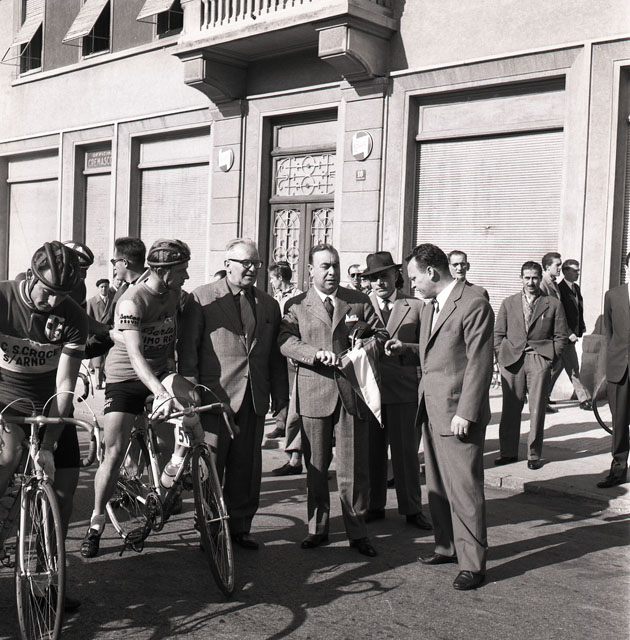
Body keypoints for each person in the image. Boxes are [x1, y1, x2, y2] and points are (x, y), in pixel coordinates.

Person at [386, 243, 494, 590]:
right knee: (437, 487)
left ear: (431, 272)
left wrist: (466, 412)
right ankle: (446, 546)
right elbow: (437, 352)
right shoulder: (431, 306)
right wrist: (406, 350)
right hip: (431, 408)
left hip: (457, 413)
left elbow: (479, 362)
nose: (412, 284)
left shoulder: (473, 303)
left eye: (414, 277)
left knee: (464, 489)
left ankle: (473, 564)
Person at [81, 239, 193, 558]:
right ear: (164, 271)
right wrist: (159, 392)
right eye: (182, 271)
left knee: (191, 407)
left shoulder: (177, 294)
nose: (186, 276)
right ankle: (96, 522)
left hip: (160, 372)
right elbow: (134, 355)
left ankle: (174, 470)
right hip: (126, 377)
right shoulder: (131, 301)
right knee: (114, 452)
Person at [278, 243, 388, 558]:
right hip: (314, 393)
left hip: (352, 393)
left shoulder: (359, 301)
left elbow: (381, 336)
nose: (331, 271)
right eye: (325, 266)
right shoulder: (297, 305)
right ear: (310, 270)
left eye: (335, 265)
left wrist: (365, 345)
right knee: (315, 467)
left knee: (354, 469)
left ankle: (358, 532)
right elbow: (285, 341)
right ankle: (317, 529)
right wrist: (314, 355)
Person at [178, 239, 289, 550]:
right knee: (211, 468)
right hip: (214, 397)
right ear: (227, 265)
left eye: (256, 263)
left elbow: (274, 358)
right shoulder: (202, 298)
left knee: (247, 468)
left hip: (253, 398)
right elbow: (188, 352)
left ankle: (240, 527)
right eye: (245, 263)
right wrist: (192, 394)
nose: (252, 269)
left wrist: (281, 398)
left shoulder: (268, 304)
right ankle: (210, 529)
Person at [0, 241, 88, 611]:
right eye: (48, 291)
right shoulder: (4, 299)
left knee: (63, 494)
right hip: (5, 403)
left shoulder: (74, 317)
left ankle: (47, 579)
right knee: (8, 456)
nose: (53, 302)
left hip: (49, 406)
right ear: (32, 277)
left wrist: (50, 444)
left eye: (62, 295)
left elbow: (65, 385)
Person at [363, 251, 431, 531]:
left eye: (384, 276)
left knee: (405, 455)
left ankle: (412, 508)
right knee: (372, 453)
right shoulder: (359, 306)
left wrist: (406, 349)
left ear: (396, 275)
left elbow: (428, 349)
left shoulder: (415, 306)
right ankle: (374, 505)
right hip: (369, 392)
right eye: (373, 278)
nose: (379, 283)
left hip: (403, 390)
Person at [494, 261, 568, 469]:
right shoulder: (509, 303)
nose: (531, 282)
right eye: (527, 278)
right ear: (521, 278)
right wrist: (501, 356)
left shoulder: (552, 303)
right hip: (512, 361)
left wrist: (549, 360)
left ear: (539, 277)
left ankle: (533, 455)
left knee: (536, 409)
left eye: (535, 277)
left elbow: (560, 336)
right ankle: (508, 452)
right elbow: (498, 333)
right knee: (510, 409)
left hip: (539, 358)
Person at [267, 261, 304, 475]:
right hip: (276, 351)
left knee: (296, 399)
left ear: (280, 277)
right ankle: (280, 423)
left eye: (273, 278)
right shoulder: (274, 298)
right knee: (280, 392)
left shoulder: (298, 297)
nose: (271, 282)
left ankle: (298, 457)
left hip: (292, 354)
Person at [597, 252, 630, 488]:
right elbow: (609, 333)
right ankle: (618, 470)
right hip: (620, 368)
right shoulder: (613, 295)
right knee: (619, 422)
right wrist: (609, 365)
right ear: (627, 268)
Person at [550, 259, 592, 410]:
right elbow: (559, 314)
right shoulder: (559, 289)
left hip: (572, 335)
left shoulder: (576, 288)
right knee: (573, 368)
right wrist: (568, 333)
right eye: (575, 270)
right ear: (565, 271)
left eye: (578, 270)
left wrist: (580, 328)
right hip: (563, 336)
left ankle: (541, 395)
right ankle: (584, 399)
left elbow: (578, 311)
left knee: (557, 368)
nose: (577, 273)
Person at [540, 251, 564, 413]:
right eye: (557, 265)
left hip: (555, 331)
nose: (560, 268)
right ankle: (540, 399)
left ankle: (543, 397)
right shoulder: (543, 284)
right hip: (547, 333)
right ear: (548, 267)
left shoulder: (553, 283)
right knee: (549, 367)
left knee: (556, 365)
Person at [86, 278, 113, 389]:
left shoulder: (113, 300)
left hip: (109, 333)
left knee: (109, 359)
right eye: (102, 287)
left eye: (106, 286)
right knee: (98, 361)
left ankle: (109, 381)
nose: (104, 289)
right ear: (98, 288)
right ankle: (98, 383)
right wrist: (89, 336)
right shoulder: (92, 301)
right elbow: (89, 319)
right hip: (97, 334)